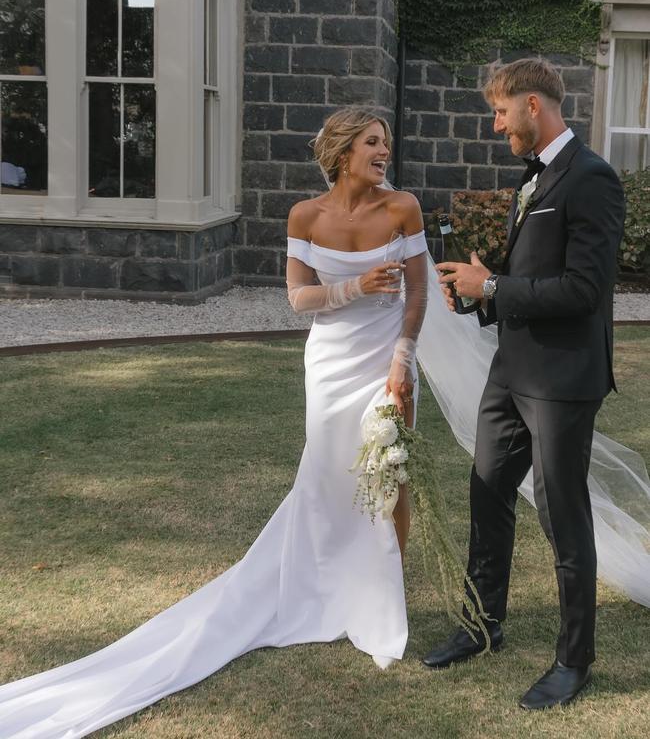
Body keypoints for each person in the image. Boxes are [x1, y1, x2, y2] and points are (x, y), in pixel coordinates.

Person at [0, 106, 428, 738]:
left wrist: (401, 362)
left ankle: (384, 597)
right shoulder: (305, 216)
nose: (383, 152)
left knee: (390, 473)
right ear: (342, 153)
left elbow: (417, 293)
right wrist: (358, 287)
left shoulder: (403, 209)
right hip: (332, 362)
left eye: (385, 143)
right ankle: (322, 588)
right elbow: (299, 298)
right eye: (372, 143)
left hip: (385, 359)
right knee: (325, 476)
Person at [422, 59, 626, 711]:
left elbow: (585, 290)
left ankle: (575, 660)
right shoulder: (529, 177)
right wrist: (482, 296)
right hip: (510, 371)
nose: (495, 123)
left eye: (501, 112)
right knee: (487, 493)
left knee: (564, 515)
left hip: (563, 379)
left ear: (533, 106)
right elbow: (529, 274)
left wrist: (498, 287)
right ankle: (484, 626)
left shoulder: (591, 179)